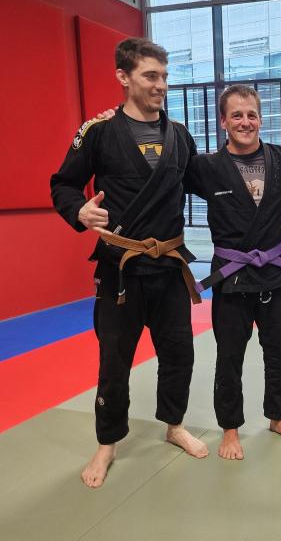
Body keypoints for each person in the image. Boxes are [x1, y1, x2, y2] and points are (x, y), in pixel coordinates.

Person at [50, 38, 208, 489]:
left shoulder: (180, 135)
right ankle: (107, 442)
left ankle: (174, 424)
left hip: (169, 265)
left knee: (179, 353)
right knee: (114, 360)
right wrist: (79, 211)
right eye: (150, 76)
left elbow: (207, 180)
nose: (162, 85)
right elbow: (63, 184)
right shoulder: (98, 132)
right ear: (123, 77)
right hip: (120, 267)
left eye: (165, 76)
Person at [185, 85, 281, 460]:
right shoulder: (207, 168)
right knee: (229, 358)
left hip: (273, 275)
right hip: (231, 279)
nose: (245, 122)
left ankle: (277, 417)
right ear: (223, 121)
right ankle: (230, 429)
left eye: (251, 114)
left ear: (261, 118)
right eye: (236, 115)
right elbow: (164, 170)